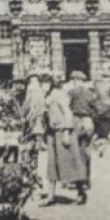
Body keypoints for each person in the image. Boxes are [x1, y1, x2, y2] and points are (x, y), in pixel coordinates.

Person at [43, 76, 89, 204]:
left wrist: (67, 133)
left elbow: (68, 114)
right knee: (52, 165)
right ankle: (50, 195)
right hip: (52, 133)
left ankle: (81, 193)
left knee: (71, 163)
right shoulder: (49, 96)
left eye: (45, 82)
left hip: (63, 132)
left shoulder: (60, 95)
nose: (43, 85)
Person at [20, 74, 49, 184]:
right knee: (34, 151)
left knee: (30, 150)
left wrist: (25, 118)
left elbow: (28, 109)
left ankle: (30, 174)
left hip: (34, 125)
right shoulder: (39, 93)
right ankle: (32, 173)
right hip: (36, 125)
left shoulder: (33, 92)